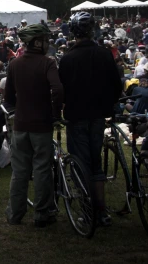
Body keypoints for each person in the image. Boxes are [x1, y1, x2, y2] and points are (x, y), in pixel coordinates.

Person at [58, 12, 123, 227]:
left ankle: (87, 209)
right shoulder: (104, 54)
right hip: (97, 114)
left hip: (77, 116)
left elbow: (62, 90)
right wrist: (110, 104)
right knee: (95, 162)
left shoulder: (67, 58)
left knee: (80, 163)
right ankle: (101, 211)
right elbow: (116, 84)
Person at [4, 23, 63, 227]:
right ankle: (42, 213)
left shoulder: (14, 64)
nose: (48, 44)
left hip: (20, 124)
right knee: (42, 169)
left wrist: (17, 108)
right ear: (36, 42)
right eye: (45, 40)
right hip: (42, 124)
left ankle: (15, 214)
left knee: (19, 171)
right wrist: (56, 112)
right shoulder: (48, 63)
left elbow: (8, 97)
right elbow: (57, 89)